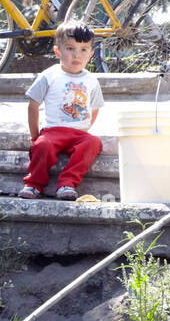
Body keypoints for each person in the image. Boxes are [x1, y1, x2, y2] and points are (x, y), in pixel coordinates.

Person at [17, 21, 105, 201]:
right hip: (53, 132)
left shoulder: (91, 80)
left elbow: (95, 106)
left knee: (93, 143)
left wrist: (86, 128)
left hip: (78, 134)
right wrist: (35, 135)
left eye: (83, 50)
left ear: (91, 54)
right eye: (70, 48)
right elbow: (33, 105)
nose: (76, 55)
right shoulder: (49, 76)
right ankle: (34, 184)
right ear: (58, 51)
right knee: (42, 145)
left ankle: (67, 184)